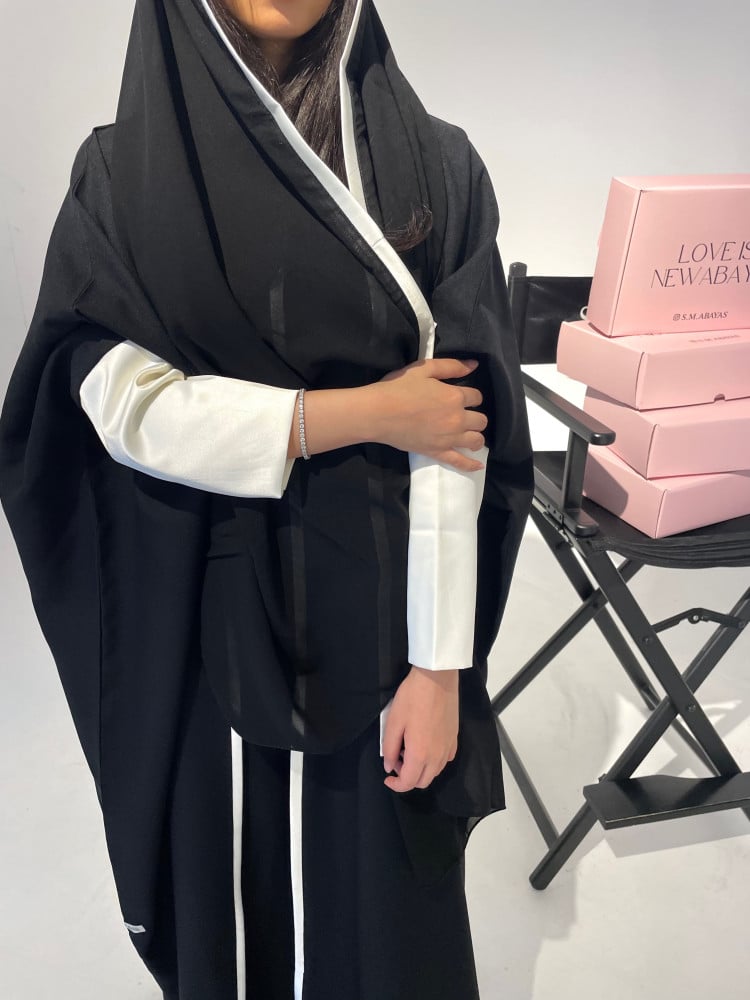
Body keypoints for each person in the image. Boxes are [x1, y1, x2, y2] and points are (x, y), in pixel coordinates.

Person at [0, 0, 533, 997]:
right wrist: (363, 412)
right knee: (234, 916)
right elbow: (126, 407)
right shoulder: (122, 174)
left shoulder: (439, 167)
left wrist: (439, 669)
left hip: (385, 613)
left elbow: (454, 426)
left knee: (384, 920)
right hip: (210, 610)